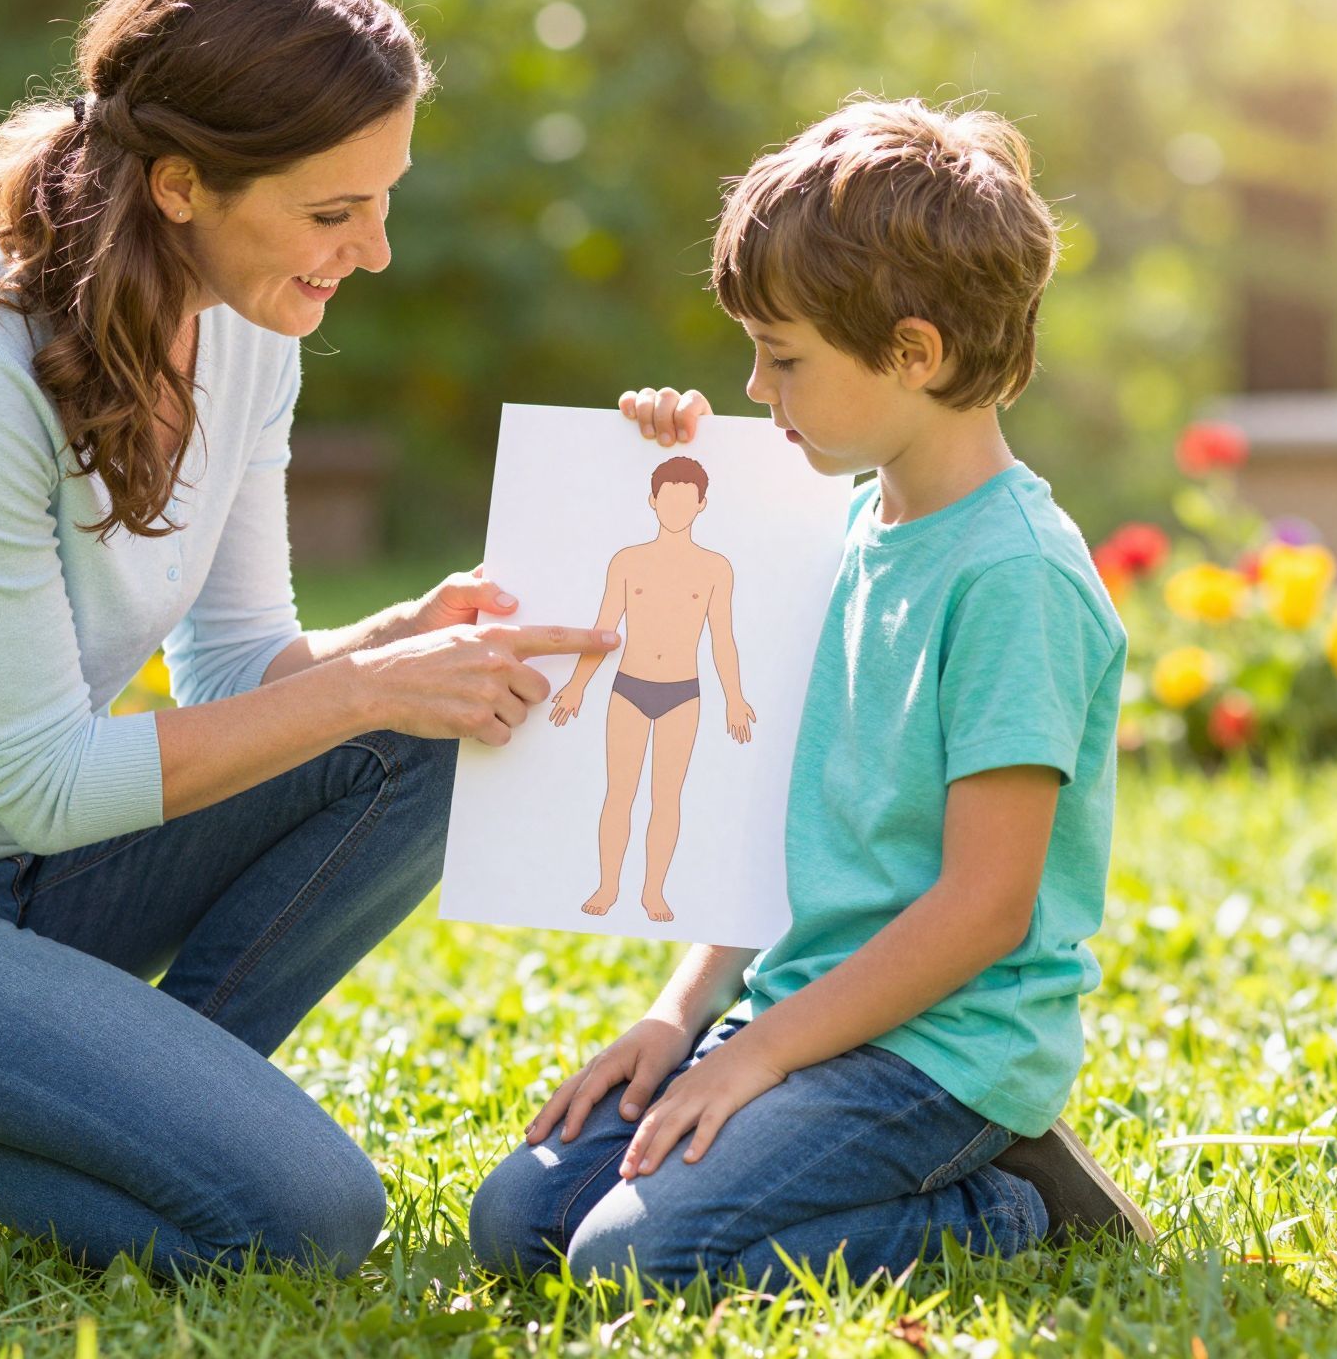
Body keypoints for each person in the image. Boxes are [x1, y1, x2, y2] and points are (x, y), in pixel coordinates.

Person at [0, 0, 618, 1275]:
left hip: (23, 882)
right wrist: (365, 688)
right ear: (182, 183)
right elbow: (44, 781)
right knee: (303, 1224)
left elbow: (237, 666)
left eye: (384, 199)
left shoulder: (241, 319)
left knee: (436, 735)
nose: (379, 251)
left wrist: (396, 651)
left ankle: (135, 1116)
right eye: (335, 211)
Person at [470, 96, 1153, 1289]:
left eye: (781, 359)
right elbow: (767, 834)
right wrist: (680, 1022)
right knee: (518, 1223)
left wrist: (756, 1059)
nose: (751, 388)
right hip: (800, 1015)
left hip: (937, 1050)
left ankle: (1004, 1209)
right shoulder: (821, 524)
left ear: (913, 353)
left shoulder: (1013, 579)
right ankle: (834, 1147)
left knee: (636, 1261)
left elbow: (986, 907)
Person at [549, 456, 755, 921]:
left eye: (687, 500)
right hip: (629, 688)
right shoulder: (627, 561)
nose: (677, 508)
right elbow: (604, 628)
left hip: (684, 692)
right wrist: (578, 685)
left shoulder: (716, 568)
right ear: (652, 501)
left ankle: (654, 892)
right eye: (668, 498)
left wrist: (735, 698)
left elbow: (722, 637)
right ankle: (607, 886)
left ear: (702, 504)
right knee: (618, 793)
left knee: (667, 796)